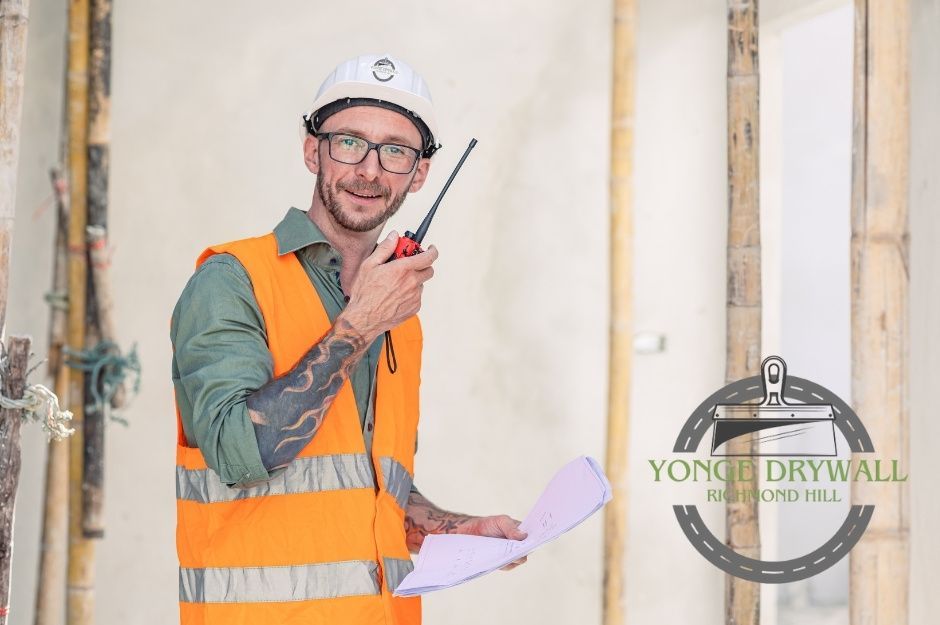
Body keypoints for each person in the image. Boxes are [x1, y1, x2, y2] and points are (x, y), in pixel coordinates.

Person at [170, 53, 526, 625]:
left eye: (395, 151)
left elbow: (359, 486)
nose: (369, 170)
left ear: (419, 175)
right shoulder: (233, 279)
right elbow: (243, 454)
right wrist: (359, 325)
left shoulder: (397, 315)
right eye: (348, 143)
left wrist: (458, 529)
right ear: (313, 151)